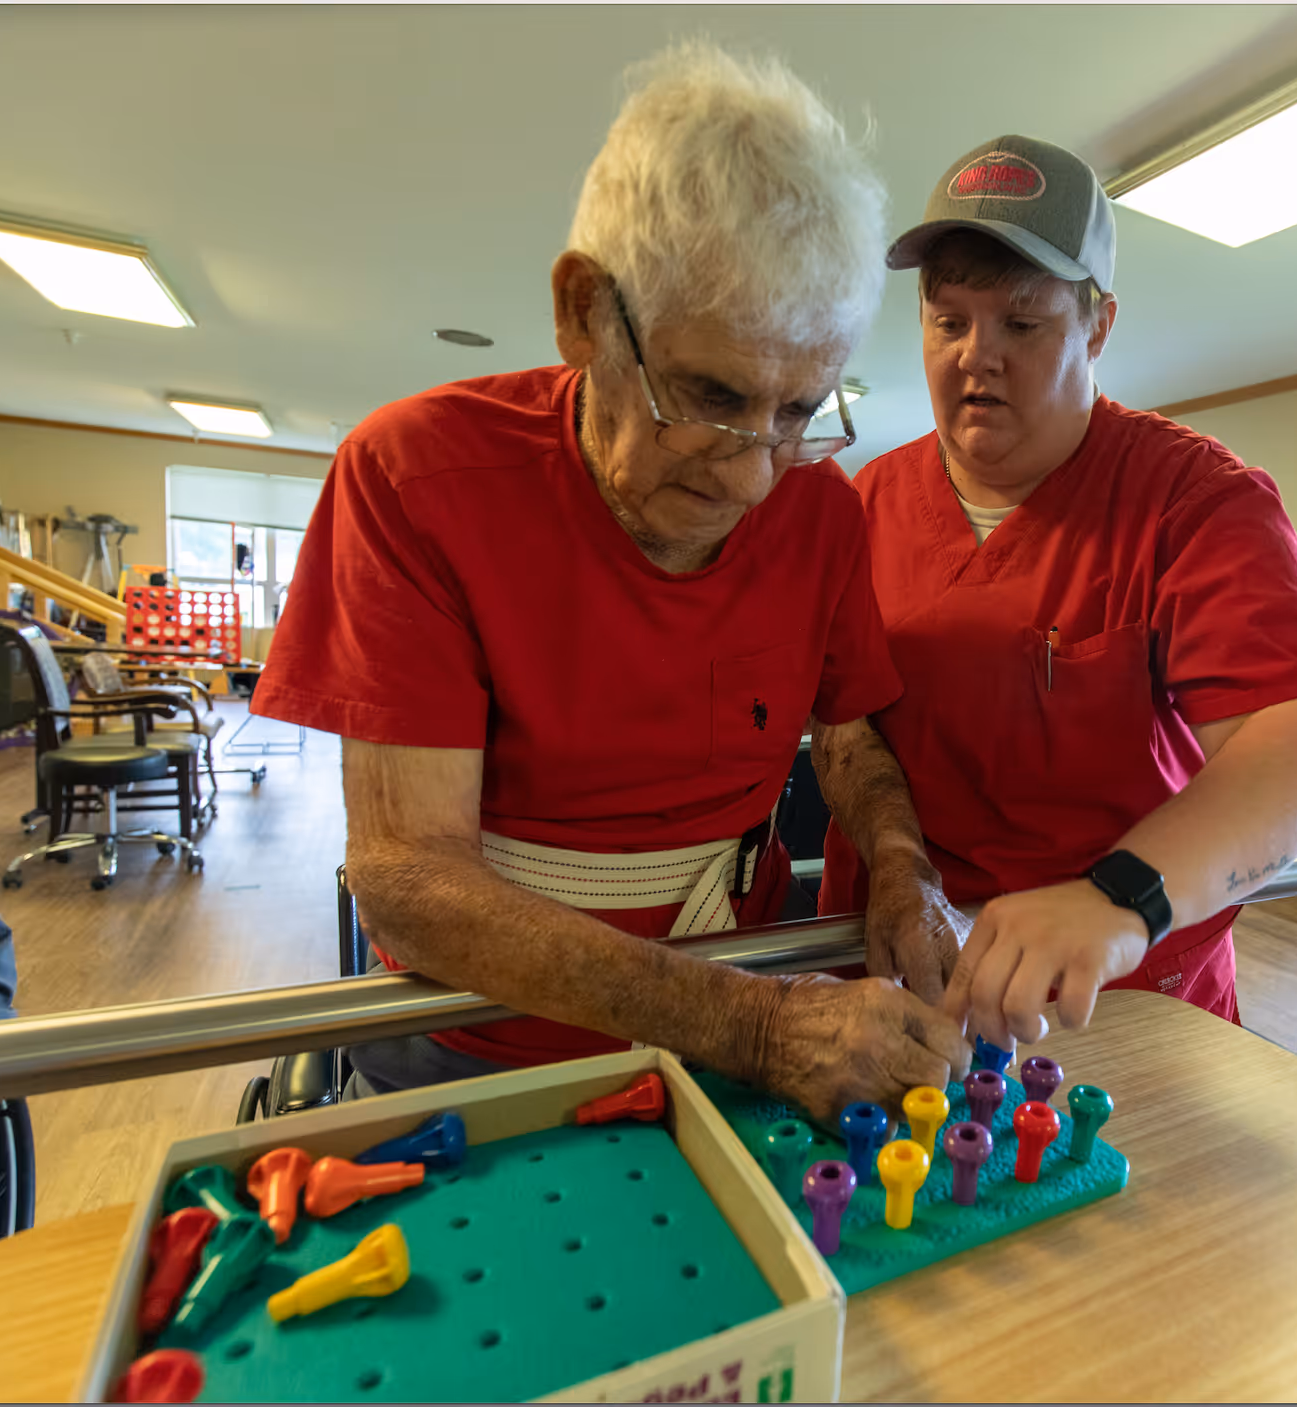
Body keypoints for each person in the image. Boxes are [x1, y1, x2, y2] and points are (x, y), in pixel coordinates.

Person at [250, 44, 969, 1122]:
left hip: (743, 1003)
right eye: (710, 394)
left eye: (799, 413)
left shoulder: (816, 508)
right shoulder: (414, 478)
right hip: (478, 1042)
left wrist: (906, 866)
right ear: (584, 311)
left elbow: (852, 735)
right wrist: (755, 1027)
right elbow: (408, 878)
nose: (750, 472)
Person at [814, 136, 1297, 1051]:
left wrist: (1122, 897)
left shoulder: (1193, 500)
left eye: (1021, 325)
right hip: (899, 983)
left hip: (1112, 995)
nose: (975, 358)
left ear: (1098, 324)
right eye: (948, 321)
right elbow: (841, 719)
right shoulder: (863, 506)